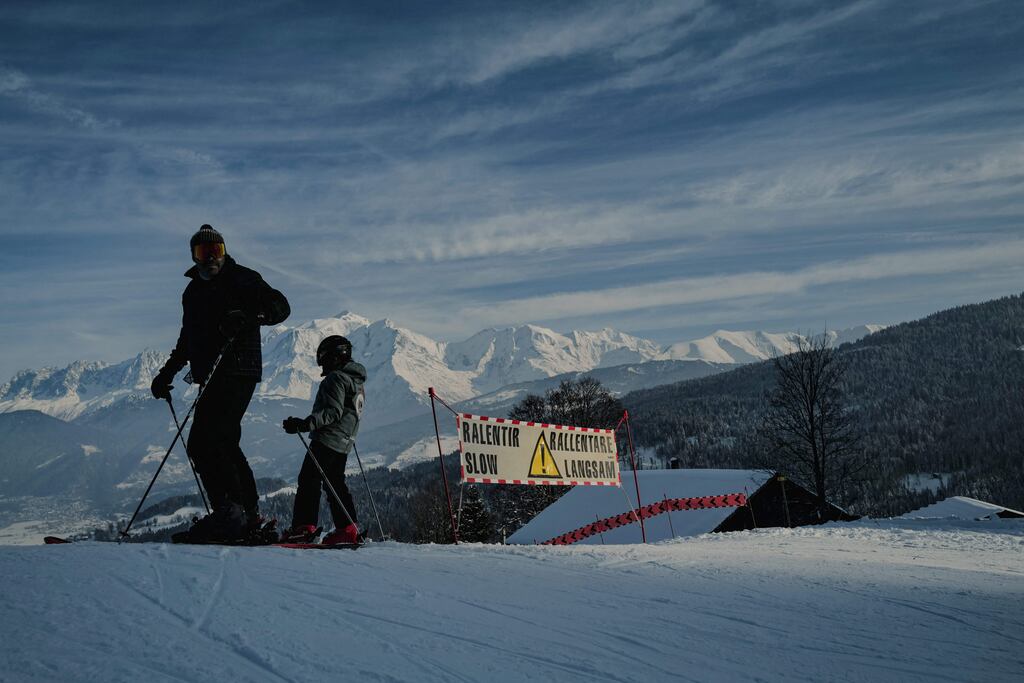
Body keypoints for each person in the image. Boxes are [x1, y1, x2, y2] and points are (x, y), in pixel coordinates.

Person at [150, 224, 290, 542]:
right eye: (204, 253)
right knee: (214, 443)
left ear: (225, 252)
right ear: (194, 257)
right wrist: (166, 374)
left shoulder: (243, 278)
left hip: (240, 368)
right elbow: (188, 339)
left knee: (212, 441)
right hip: (210, 375)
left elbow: (280, 307)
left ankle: (231, 514)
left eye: (217, 251)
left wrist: (250, 317)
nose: (211, 258)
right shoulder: (192, 292)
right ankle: (242, 513)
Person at [280, 335, 366, 545]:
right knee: (335, 485)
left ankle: (303, 527)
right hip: (345, 442)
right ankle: (348, 528)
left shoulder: (336, 378)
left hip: (327, 439)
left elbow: (332, 412)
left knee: (308, 480)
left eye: (325, 359)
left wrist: (304, 424)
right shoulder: (356, 381)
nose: (323, 365)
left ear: (334, 357)